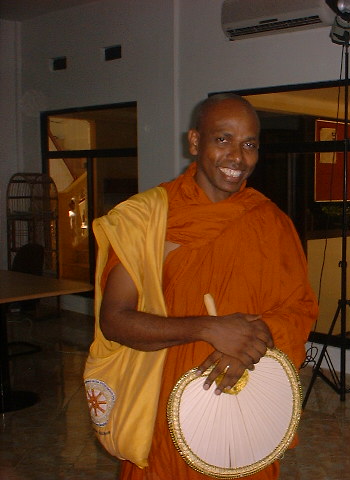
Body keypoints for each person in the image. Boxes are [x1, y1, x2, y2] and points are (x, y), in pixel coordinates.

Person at [91, 93, 318, 480]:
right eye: (223, 139)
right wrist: (208, 328)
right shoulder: (146, 219)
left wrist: (247, 344)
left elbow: (298, 308)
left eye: (249, 145)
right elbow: (115, 320)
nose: (237, 157)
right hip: (167, 412)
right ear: (195, 142)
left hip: (250, 402)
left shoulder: (271, 222)